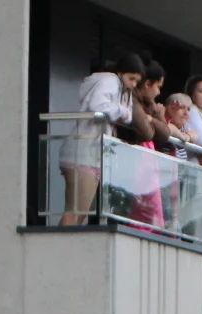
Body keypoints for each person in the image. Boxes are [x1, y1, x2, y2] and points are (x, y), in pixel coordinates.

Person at [61, 54, 142, 225]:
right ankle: (60, 241)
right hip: (84, 151)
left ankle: (65, 240)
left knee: (79, 213)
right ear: (121, 73)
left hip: (90, 152)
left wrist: (122, 112)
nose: (134, 84)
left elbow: (126, 115)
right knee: (75, 212)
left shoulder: (121, 88)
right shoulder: (111, 81)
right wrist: (122, 111)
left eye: (137, 81)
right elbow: (98, 105)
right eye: (131, 78)